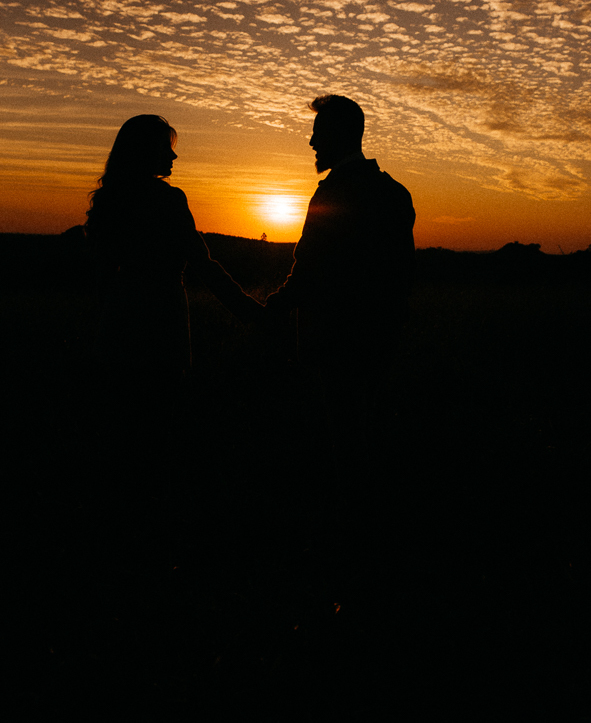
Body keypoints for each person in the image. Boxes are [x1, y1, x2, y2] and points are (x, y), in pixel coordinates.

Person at [84, 114, 262, 567]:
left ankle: (118, 537)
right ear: (147, 151)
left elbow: (101, 279)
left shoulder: (108, 201)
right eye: (166, 146)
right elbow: (201, 264)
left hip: (118, 326)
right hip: (160, 325)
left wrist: (101, 330)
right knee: (157, 435)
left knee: (122, 437)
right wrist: (249, 311)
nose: (174, 155)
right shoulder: (167, 200)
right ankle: (152, 541)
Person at [264, 95, 416, 569]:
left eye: (318, 132)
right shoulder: (394, 192)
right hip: (380, 341)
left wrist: (271, 307)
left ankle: (351, 548)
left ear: (341, 135)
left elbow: (307, 271)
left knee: (343, 443)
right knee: (367, 434)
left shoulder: (332, 194)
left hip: (335, 343)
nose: (310, 141)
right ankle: (372, 536)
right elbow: (401, 276)